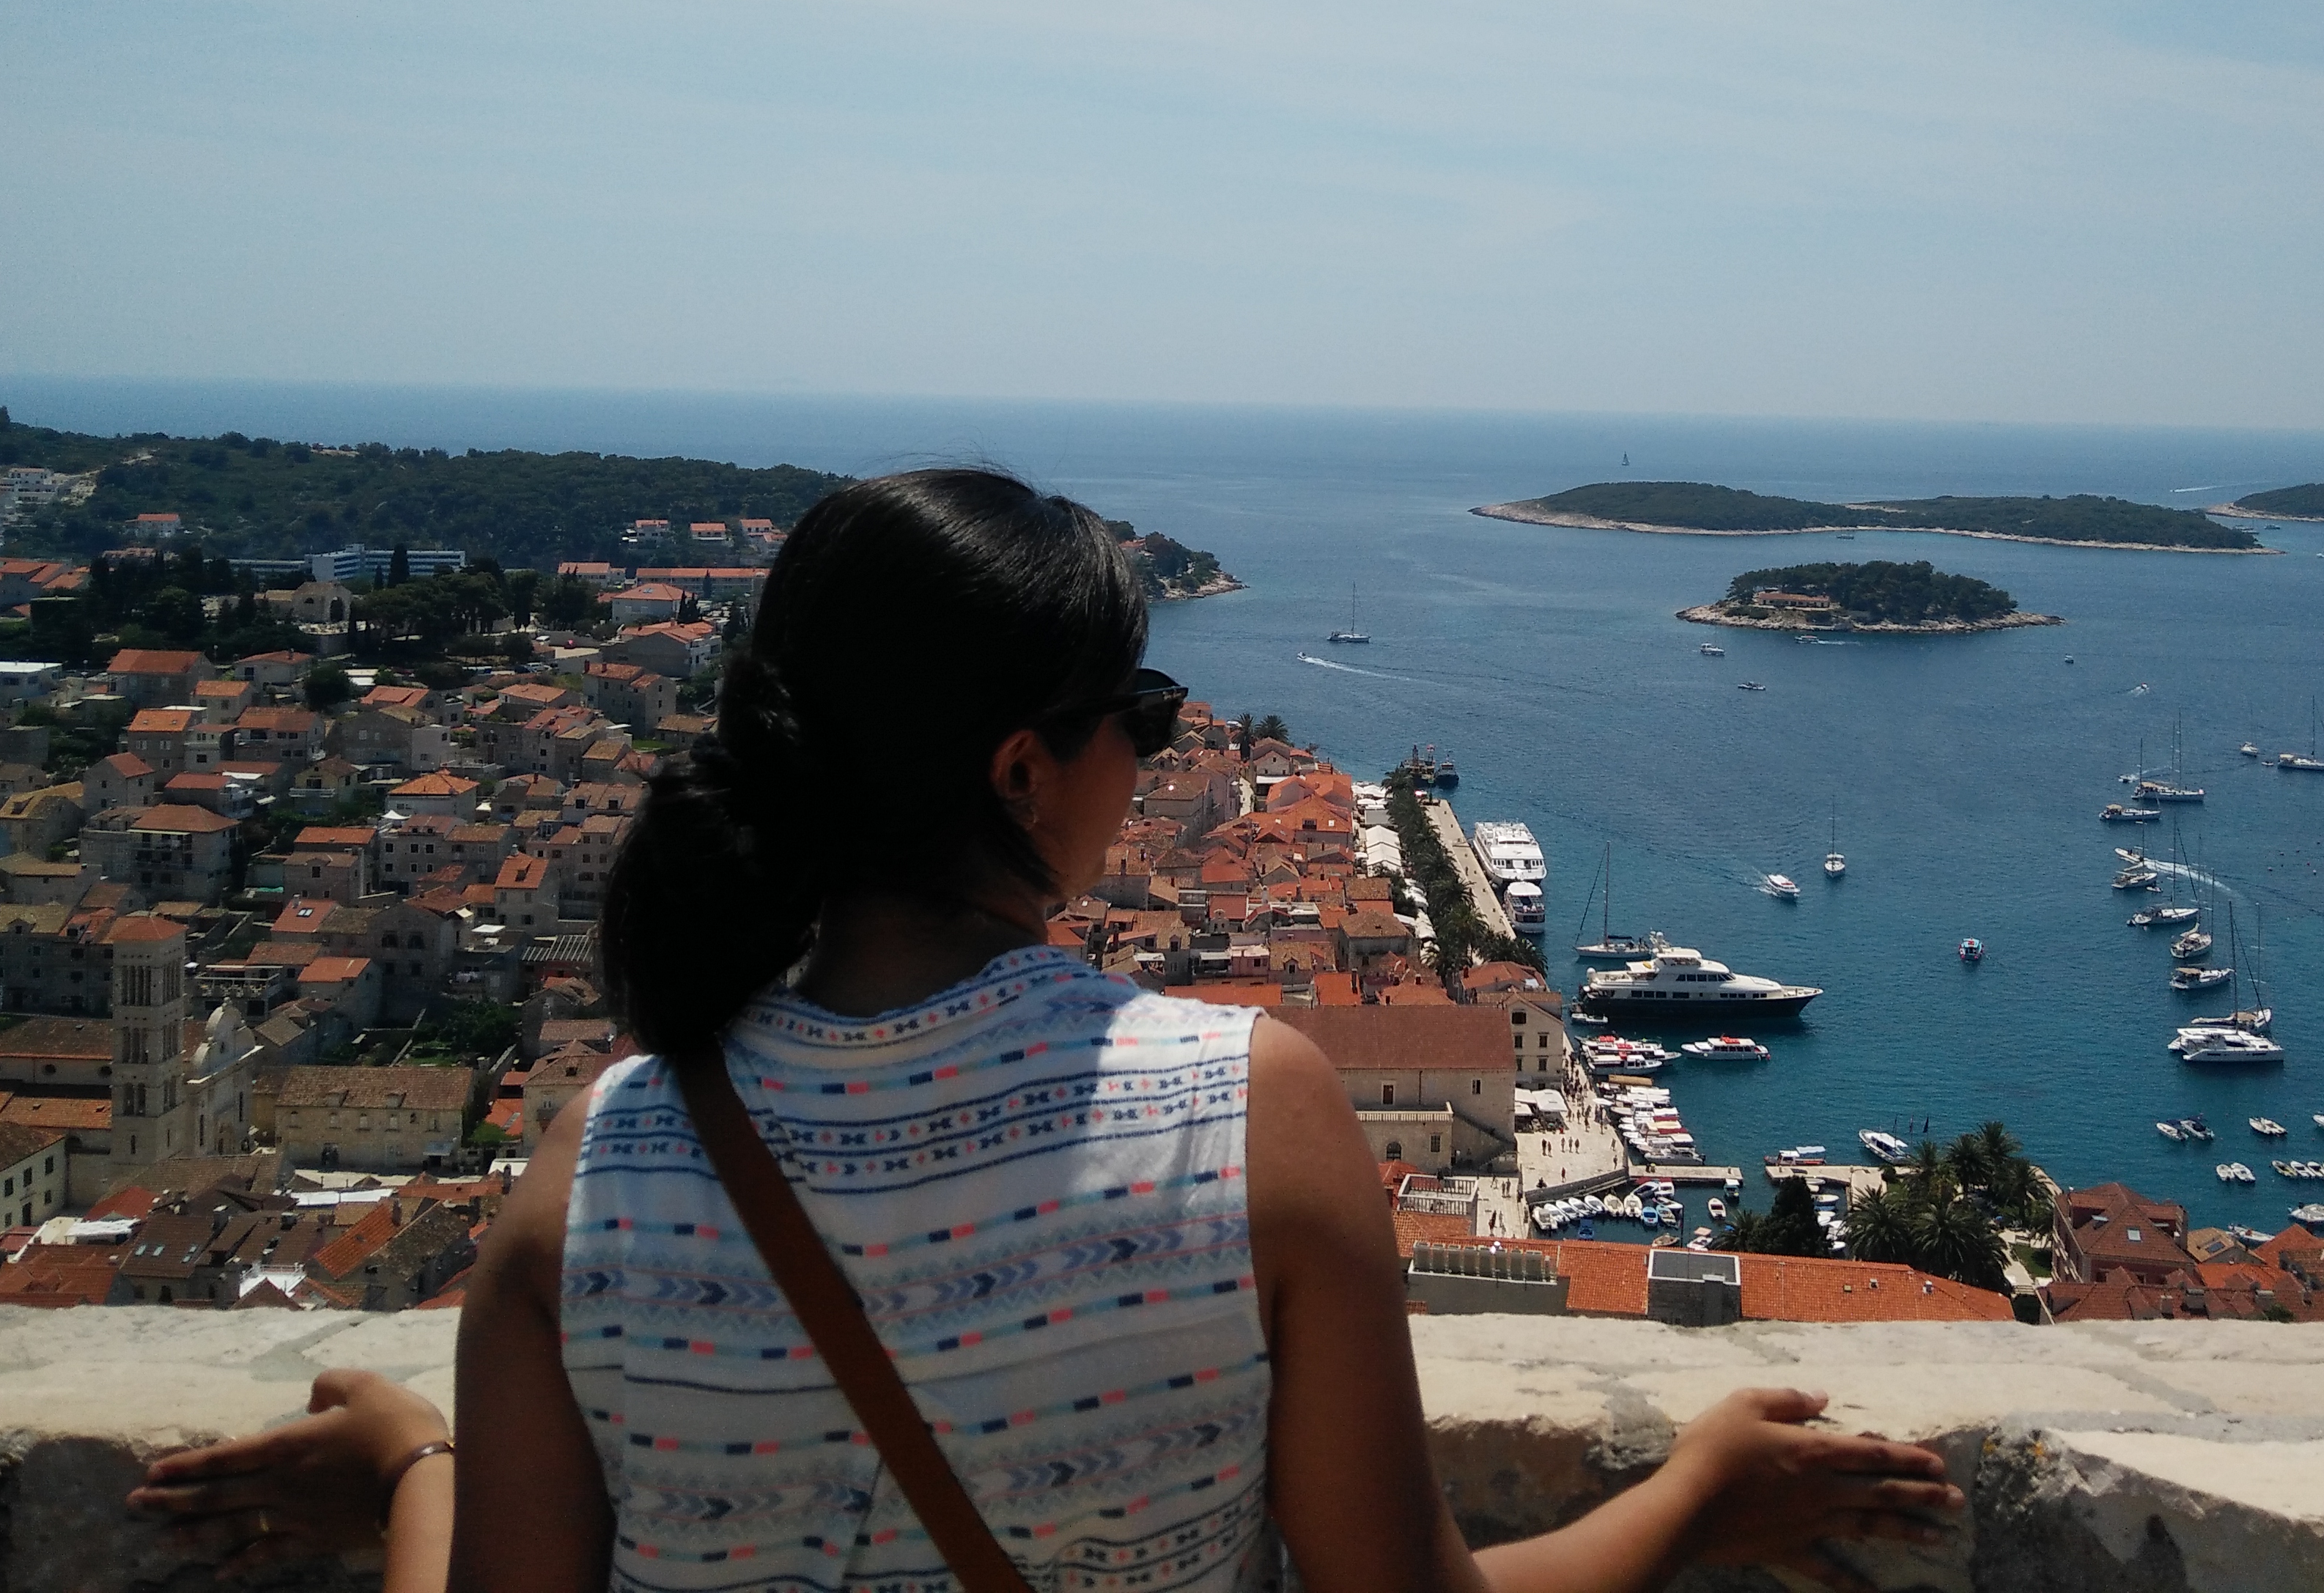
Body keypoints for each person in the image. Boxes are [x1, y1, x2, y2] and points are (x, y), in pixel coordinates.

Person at [136, 470, 1962, 1590]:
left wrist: (409, 1465)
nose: (1164, 750)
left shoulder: (590, 1170)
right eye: (1143, 714)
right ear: (1024, 770)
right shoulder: (1247, 1111)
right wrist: (1707, 1491)